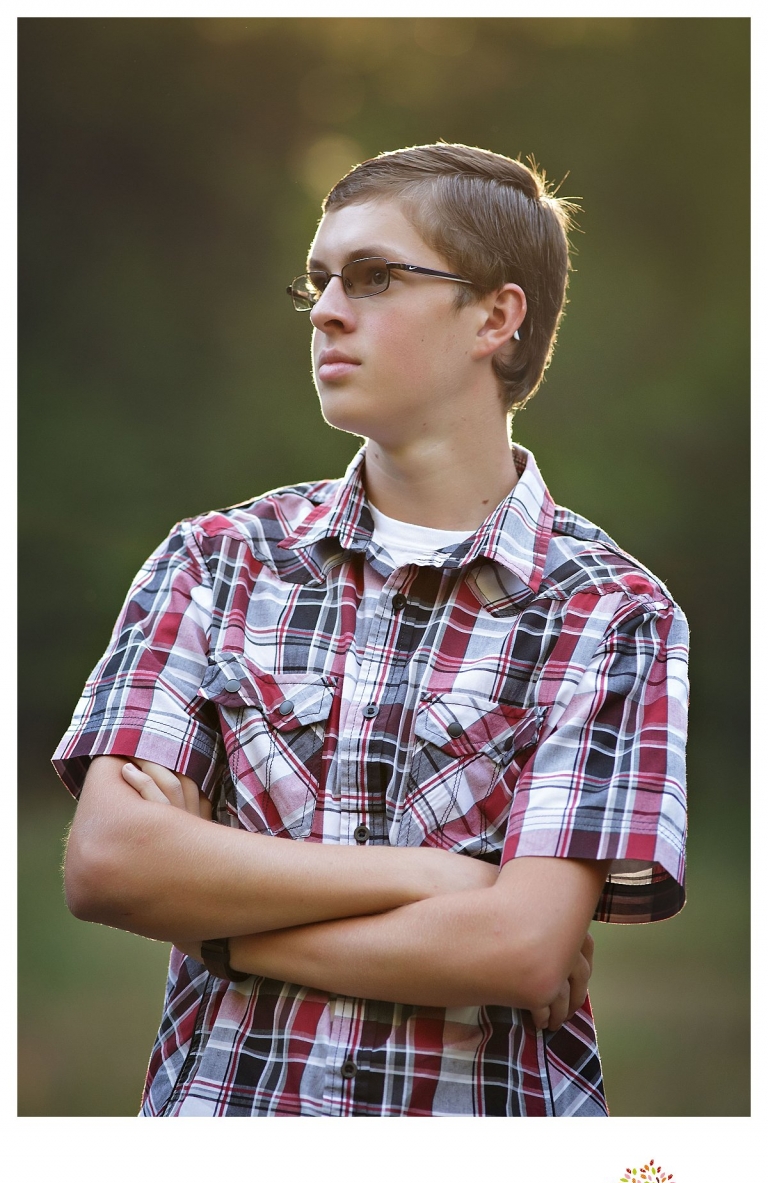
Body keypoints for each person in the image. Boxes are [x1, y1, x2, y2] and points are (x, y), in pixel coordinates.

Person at [52, 143, 689, 1117]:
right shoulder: (216, 562)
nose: (327, 310)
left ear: (495, 316)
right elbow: (108, 865)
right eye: (318, 281)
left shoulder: (609, 614)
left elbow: (518, 953)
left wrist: (215, 923)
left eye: (376, 276)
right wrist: (438, 880)